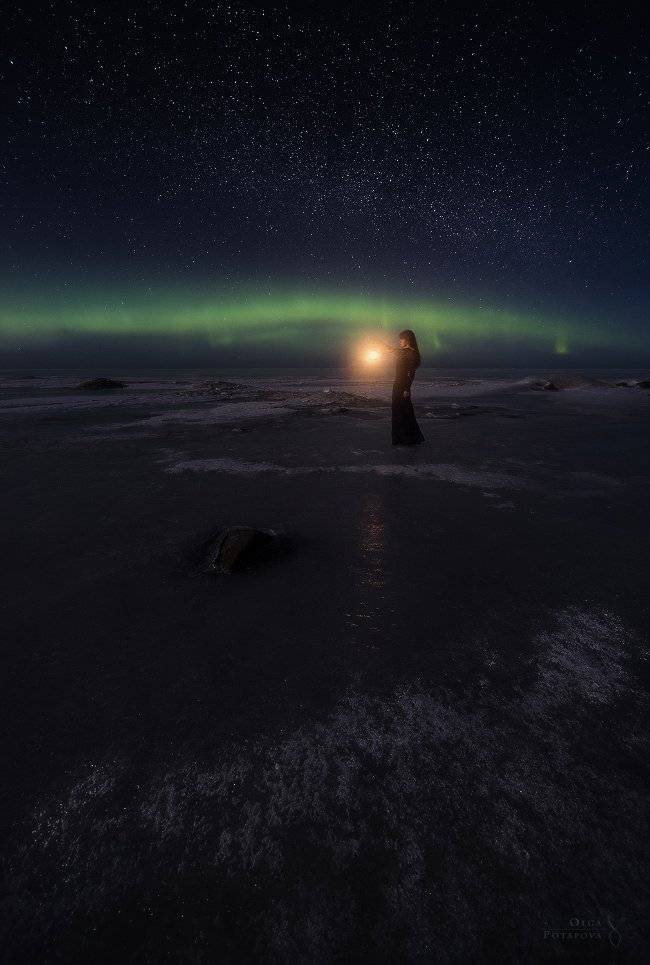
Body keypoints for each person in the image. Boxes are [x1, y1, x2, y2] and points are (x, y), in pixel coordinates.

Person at [377, 329, 425, 446]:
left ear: (407, 339)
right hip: (397, 384)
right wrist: (380, 343)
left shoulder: (412, 353)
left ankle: (408, 439)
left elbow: (411, 373)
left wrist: (406, 389)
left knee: (404, 411)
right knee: (398, 410)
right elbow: (390, 350)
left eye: (401, 339)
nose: (400, 341)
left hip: (403, 386)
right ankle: (404, 438)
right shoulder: (403, 352)